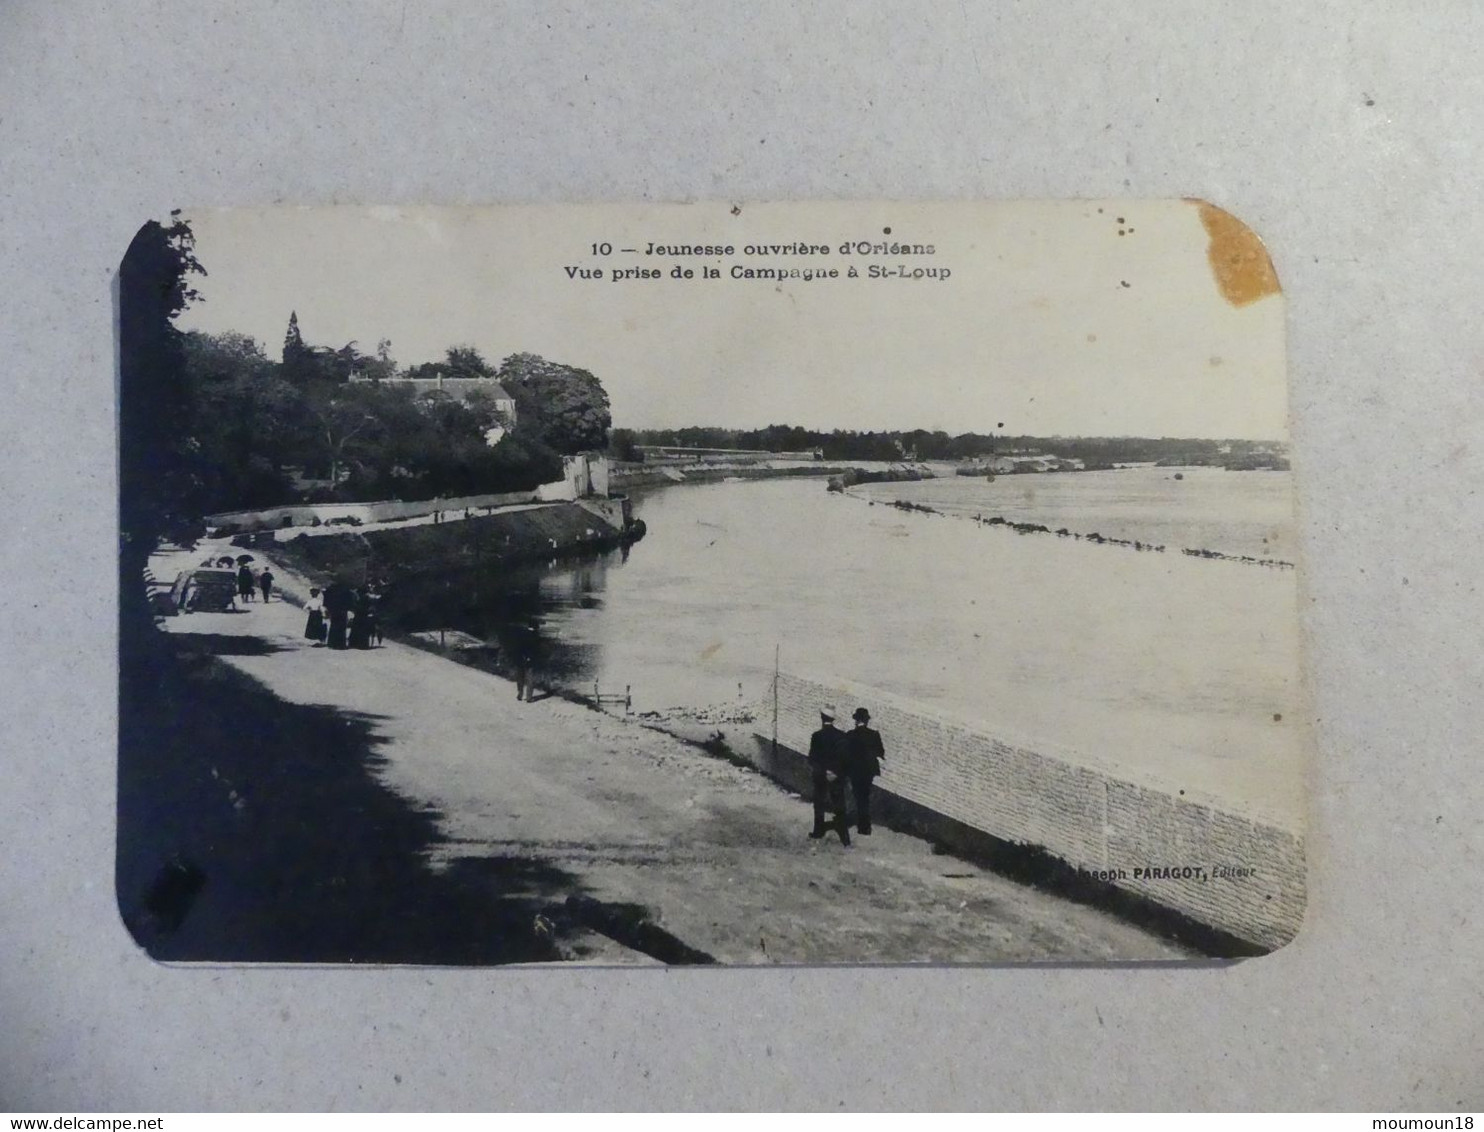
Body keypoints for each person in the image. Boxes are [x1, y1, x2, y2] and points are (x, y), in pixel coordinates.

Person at [807, 703, 851, 846]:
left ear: (821, 717)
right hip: (836, 776)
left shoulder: (816, 736)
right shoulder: (841, 736)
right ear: (833, 720)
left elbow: (812, 758)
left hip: (820, 775)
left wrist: (824, 770)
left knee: (819, 803)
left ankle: (818, 831)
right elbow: (844, 759)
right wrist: (835, 772)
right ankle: (845, 838)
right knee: (839, 806)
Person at [846, 706, 886, 834]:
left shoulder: (850, 735)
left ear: (856, 721)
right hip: (868, 772)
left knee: (858, 795)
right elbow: (881, 752)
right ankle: (864, 826)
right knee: (864, 796)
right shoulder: (874, 734)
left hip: (855, 771)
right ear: (867, 721)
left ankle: (861, 824)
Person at [323, 581, 351, 649]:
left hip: (334, 610)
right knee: (341, 627)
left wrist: (328, 608)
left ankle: (332, 643)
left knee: (333, 626)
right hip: (342, 610)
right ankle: (340, 644)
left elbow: (326, 601)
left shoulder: (330, 590)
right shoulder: (345, 590)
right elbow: (349, 601)